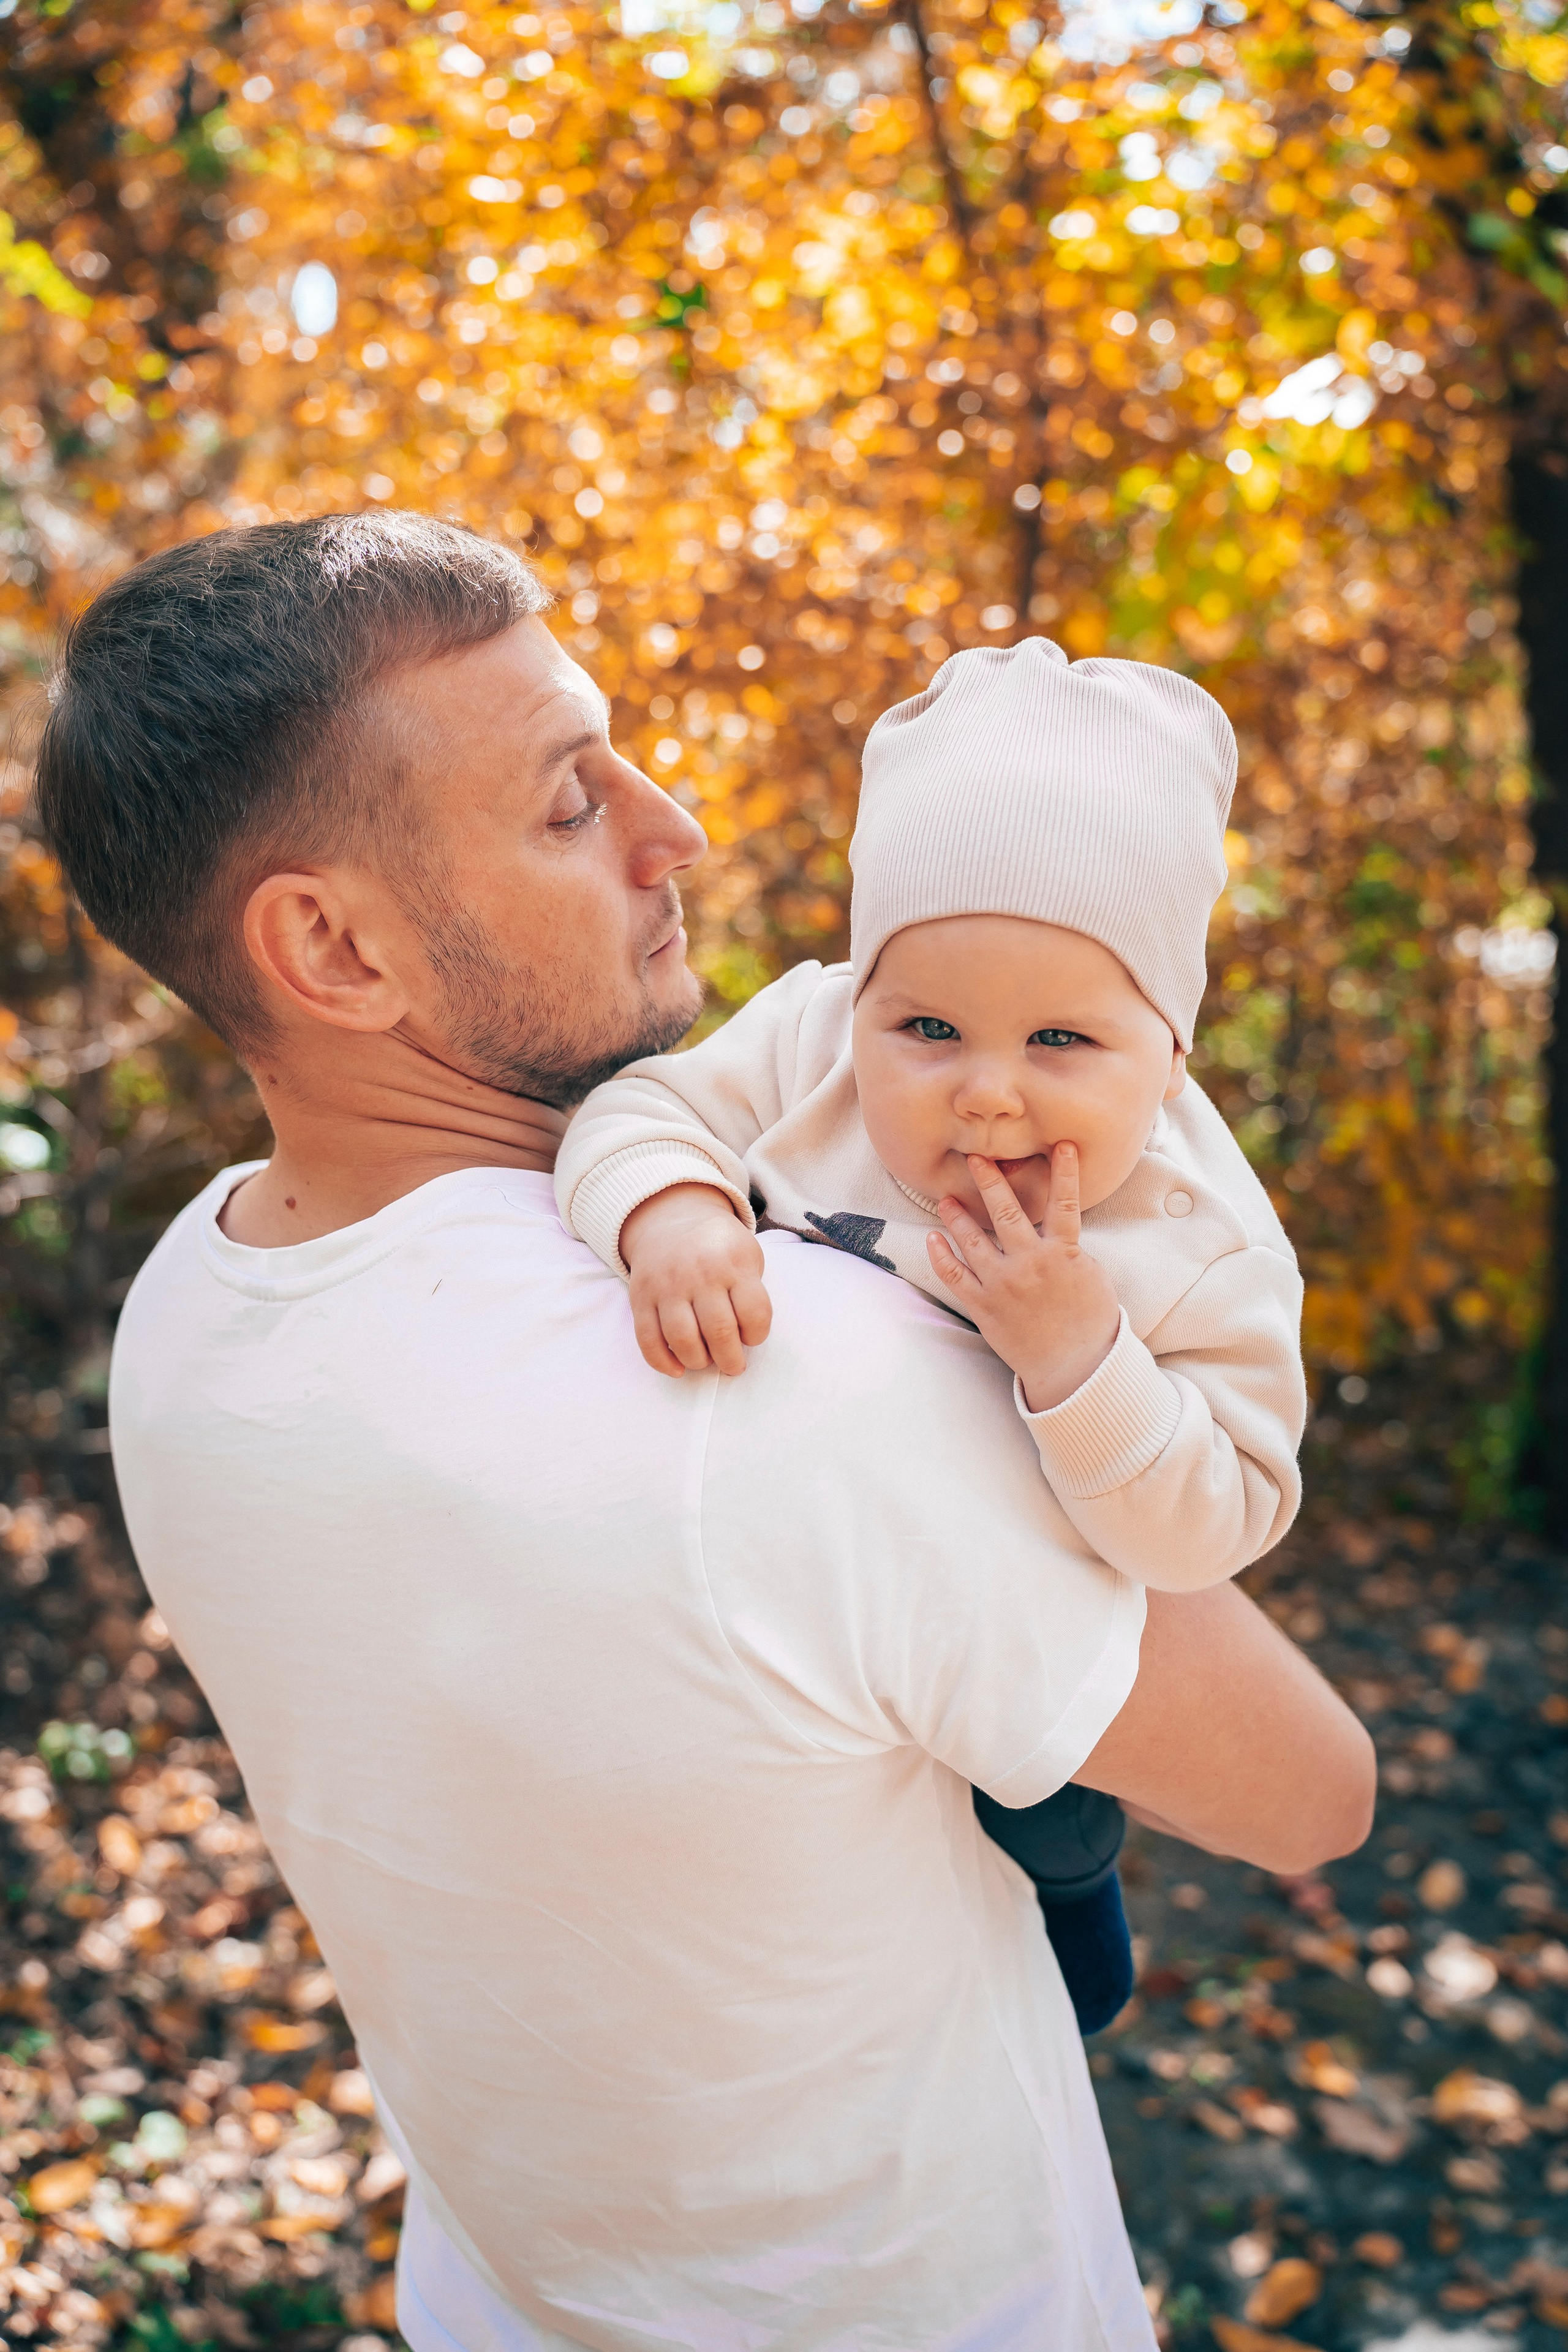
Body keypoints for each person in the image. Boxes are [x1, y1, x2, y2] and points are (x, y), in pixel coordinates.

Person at [37, 514, 1374, 2352]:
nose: (678, 831)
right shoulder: (784, 1377)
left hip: (503, 2301)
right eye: (571, 805)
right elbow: (1311, 1788)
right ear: (333, 947)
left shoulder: (187, 1314)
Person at [552, 638, 1306, 2038]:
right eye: (930, 1026)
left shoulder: (1197, 1242)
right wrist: (675, 1212)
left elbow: (1223, 1519)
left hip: (1027, 1642)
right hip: (789, 1629)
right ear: (862, 999)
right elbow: (641, 1112)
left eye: (1062, 1045)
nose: (986, 1094)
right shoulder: (810, 1047)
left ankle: (1069, 1956)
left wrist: (1079, 1351)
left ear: (1168, 1050)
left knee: (1044, 1832)